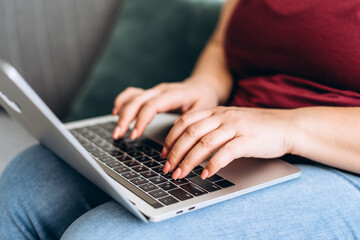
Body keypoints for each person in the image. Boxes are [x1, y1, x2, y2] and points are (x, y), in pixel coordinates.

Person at [1, 0, 360, 239]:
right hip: (234, 136)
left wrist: (288, 127)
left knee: (102, 236)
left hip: (339, 162)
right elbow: (224, 45)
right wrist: (203, 86)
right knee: (25, 185)